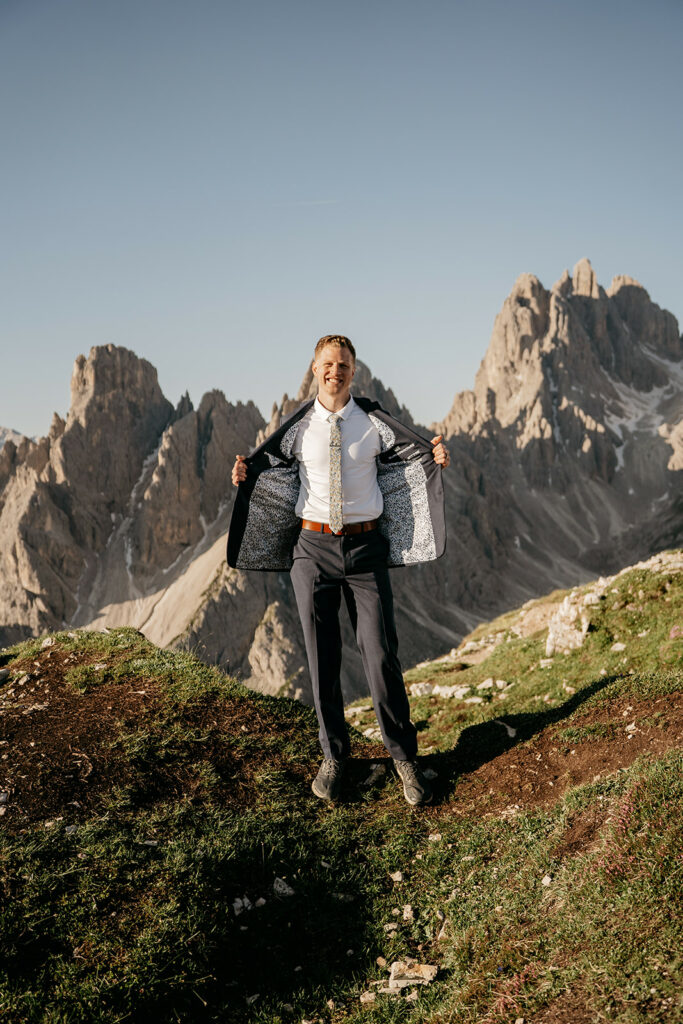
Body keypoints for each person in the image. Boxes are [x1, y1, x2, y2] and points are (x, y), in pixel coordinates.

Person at [228, 335, 450, 805]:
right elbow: (265, 465)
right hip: (312, 551)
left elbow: (414, 453)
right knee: (321, 657)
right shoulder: (297, 428)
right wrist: (243, 474)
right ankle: (334, 757)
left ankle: (404, 758)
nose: (336, 371)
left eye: (344, 364)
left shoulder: (372, 422)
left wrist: (436, 456)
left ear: (354, 370)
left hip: (365, 548)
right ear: (314, 369)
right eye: (328, 364)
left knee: (380, 653)